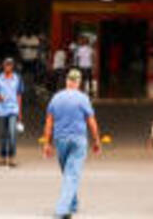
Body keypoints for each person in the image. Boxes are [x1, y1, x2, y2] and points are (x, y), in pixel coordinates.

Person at [43, 69, 101, 219]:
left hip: (60, 140)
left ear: (67, 81)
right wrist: (96, 141)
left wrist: (47, 143)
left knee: (69, 173)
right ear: (79, 82)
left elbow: (49, 122)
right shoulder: (83, 98)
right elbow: (91, 121)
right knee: (72, 174)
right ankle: (62, 209)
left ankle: (73, 203)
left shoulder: (56, 98)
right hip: (78, 140)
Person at [0, 57, 24, 167]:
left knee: (12, 133)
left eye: (10, 65)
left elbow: (19, 95)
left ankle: (12, 157)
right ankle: (3, 156)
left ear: (12, 66)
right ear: (3, 66)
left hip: (13, 109)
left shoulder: (17, 79)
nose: (8, 67)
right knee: (2, 135)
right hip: (2, 110)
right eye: (6, 65)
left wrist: (20, 112)